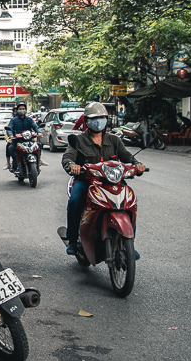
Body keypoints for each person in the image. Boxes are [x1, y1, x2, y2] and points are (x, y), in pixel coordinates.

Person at [61, 102, 146, 256]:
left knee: (130, 204)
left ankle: (129, 243)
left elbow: (127, 157)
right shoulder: (79, 140)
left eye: (102, 117)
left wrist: (137, 166)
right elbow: (67, 157)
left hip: (113, 181)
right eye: (95, 118)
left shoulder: (114, 140)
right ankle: (72, 240)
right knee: (75, 201)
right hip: (87, 180)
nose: (99, 121)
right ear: (87, 121)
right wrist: (72, 166)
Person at [5, 104, 40, 172]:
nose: (22, 110)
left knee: (39, 145)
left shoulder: (29, 119)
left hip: (28, 140)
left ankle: (38, 161)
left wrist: (39, 132)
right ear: (17, 110)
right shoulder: (13, 120)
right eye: (20, 109)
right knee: (10, 147)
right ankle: (15, 164)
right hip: (17, 140)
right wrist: (10, 135)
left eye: (23, 109)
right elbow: (9, 129)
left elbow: (35, 127)